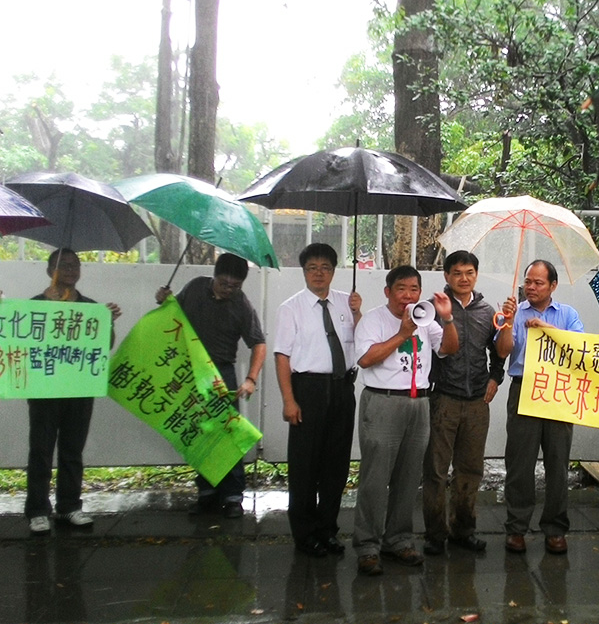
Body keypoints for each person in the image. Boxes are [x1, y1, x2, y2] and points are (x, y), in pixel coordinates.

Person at [352, 265, 459, 576]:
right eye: (401, 289)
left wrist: (447, 317)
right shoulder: (373, 319)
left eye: (414, 289)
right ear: (388, 292)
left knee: (409, 476)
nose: (408, 296)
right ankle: (367, 545)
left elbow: (449, 348)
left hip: (419, 402)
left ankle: (398, 539)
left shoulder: (426, 318)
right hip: (383, 400)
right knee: (375, 477)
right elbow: (365, 359)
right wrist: (401, 334)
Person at [155, 253, 265, 519]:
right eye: (224, 283)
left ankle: (232, 495)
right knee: (199, 432)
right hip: (190, 370)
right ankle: (206, 490)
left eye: (235, 286)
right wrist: (164, 301)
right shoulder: (194, 288)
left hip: (221, 373)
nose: (228, 289)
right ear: (214, 276)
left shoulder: (241, 303)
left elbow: (258, 343)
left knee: (227, 434)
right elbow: (171, 316)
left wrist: (250, 379)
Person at [26, 248, 122, 534]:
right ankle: (37, 510)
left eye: (75, 264)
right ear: (49, 270)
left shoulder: (91, 307)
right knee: (41, 449)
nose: (70, 269)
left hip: (79, 390)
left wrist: (108, 322)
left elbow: (104, 345)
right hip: (45, 389)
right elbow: (23, 343)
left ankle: (69, 506)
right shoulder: (35, 305)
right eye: (63, 265)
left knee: (72, 449)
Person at [274, 243, 361, 557]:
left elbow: (360, 342)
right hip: (307, 390)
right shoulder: (291, 307)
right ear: (304, 271)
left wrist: (357, 311)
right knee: (305, 466)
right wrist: (289, 400)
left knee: (335, 465)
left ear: (334, 271)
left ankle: (328, 530)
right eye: (312, 267)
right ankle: (305, 533)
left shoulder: (345, 303)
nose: (319, 273)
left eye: (325, 267)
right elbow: (282, 356)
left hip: (342, 389)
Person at [495, 259, 584, 555]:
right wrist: (508, 323)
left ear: (553, 286)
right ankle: (516, 528)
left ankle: (556, 529)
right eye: (527, 282)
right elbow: (504, 351)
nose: (530, 288)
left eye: (538, 283)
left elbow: (579, 350)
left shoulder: (568, 315)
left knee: (557, 463)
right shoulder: (515, 312)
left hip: (559, 392)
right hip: (524, 390)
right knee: (519, 463)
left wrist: (545, 327)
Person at [422, 250, 505, 556]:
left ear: (476, 275)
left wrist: (496, 377)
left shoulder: (487, 311)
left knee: (470, 469)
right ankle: (435, 533)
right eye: (457, 273)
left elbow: (498, 352)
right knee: (435, 470)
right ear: (446, 276)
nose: (463, 278)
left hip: (476, 403)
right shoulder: (433, 308)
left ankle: (463, 529)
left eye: (469, 272)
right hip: (443, 397)